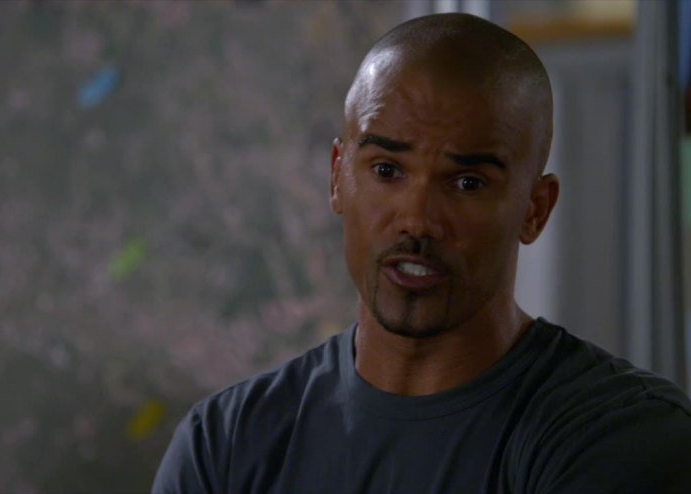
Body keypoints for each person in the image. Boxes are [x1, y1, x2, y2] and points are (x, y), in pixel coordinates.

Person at [152, 13, 691, 493]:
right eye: (387, 170)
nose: (417, 218)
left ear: (535, 209)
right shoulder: (225, 445)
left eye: (467, 183)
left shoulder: (620, 437)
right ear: (338, 177)